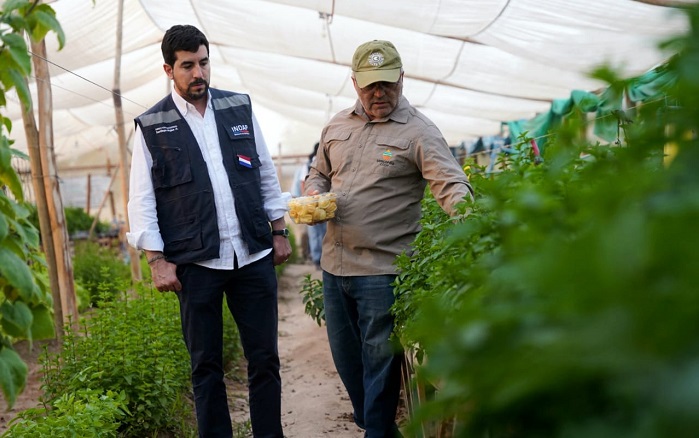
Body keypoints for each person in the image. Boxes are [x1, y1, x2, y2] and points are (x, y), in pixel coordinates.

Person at [126, 24, 291, 438]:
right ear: (169, 69)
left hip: (251, 254)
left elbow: (265, 171)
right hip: (197, 262)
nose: (198, 73)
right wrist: (156, 259)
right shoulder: (152, 125)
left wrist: (279, 229)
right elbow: (141, 199)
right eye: (187, 66)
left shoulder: (239, 107)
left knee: (265, 359)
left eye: (203, 63)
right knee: (205, 367)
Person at [304, 40, 473, 437]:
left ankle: (377, 431)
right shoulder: (337, 126)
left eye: (385, 84)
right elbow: (319, 172)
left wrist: (470, 222)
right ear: (354, 83)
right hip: (334, 266)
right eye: (368, 86)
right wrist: (314, 192)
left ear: (401, 78)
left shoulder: (419, 132)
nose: (378, 93)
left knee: (379, 366)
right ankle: (378, 429)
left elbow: (450, 182)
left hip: (383, 271)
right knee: (348, 363)